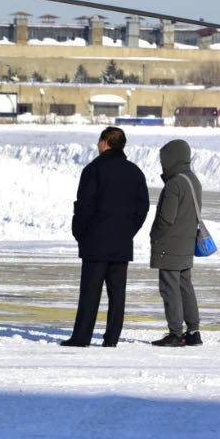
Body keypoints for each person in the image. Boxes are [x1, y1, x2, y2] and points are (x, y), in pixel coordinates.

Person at [61, 127, 150, 347]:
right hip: (121, 242)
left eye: (99, 141)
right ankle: (112, 338)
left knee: (90, 293)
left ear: (105, 142)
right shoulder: (135, 172)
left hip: (95, 242)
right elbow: (143, 207)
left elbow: (84, 206)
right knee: (117, 295)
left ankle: (81, 337)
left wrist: (80, 233)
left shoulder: (93, 169)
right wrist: (129, 230)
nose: (98, 144)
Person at [149, 139, 204, 347]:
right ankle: (193, 331)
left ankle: (175, 333)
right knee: (185, 286)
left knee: (170, 289)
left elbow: (166, 218)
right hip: (186, 243)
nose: (162, 163)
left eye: (164, 159)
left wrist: (154, 234)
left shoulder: (174, 184)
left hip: (170, 245)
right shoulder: (192, 180)